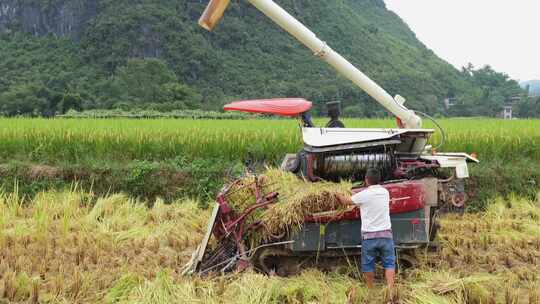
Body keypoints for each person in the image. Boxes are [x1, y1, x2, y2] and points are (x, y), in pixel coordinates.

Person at [337, 168, 395, 290]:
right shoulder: (385, 192)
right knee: (389, 264)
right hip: (386, 236)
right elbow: (361, 198)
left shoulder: (365, 195)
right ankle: (390, 291)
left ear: (366, 180)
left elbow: (345, 201)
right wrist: (354, 195)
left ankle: (370, 290)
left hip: (370, 237)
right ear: (379, 180)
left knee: (368, 265)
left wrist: (335, 193)